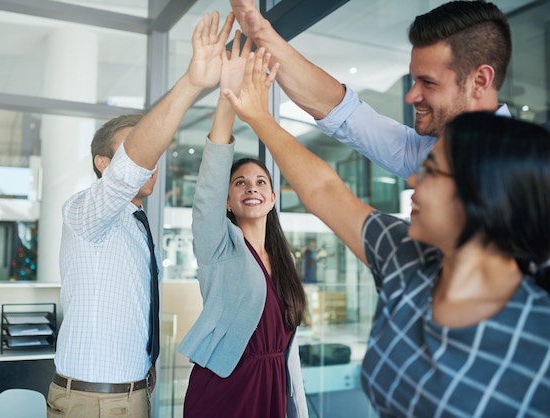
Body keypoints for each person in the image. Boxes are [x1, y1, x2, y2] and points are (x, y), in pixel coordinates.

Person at [224, 48, 550, 417]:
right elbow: (324, 190)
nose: (412, 180)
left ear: (480, 198)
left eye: (432, 172)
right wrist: (258, 117)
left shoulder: (538, 338)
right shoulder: (407, 256)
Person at [47, 11, 234, 418]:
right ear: (102, 163)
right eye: (136, 150)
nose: (152, 162)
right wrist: (191, 84)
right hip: (93, 402)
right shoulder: (84, 211)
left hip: (132, 394)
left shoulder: (136, 225)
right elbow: (125, 174)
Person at [230, 0, 512, 178]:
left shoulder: (520, 176)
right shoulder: (425, 149)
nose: (411, 96)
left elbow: (326, 193)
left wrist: (260, 118)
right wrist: (262, 34)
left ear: (480, 81)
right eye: (413, 80)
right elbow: (341, 111)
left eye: (428, 82)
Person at [178, 32, 307, 418]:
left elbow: (289, 349)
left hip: (272, 388)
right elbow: (209, 183)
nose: (252, 188)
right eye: (240, 183)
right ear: (228, 202)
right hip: (226, 388)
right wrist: (227, 99)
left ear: (271, 199)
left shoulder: (283, 261)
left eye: (261, 183)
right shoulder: (219, 246)